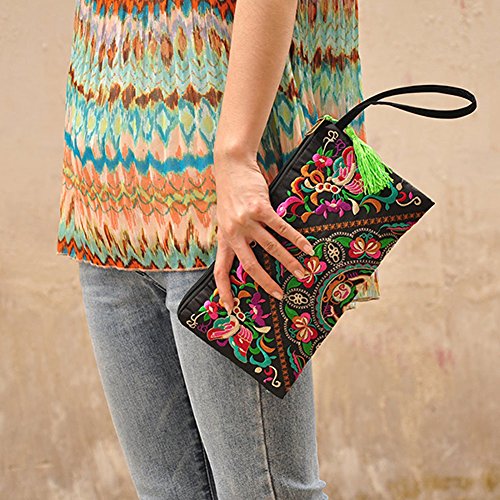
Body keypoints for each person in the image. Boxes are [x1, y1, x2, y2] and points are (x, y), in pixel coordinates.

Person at [56, 0, 378, 498]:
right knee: (169, 492)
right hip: (105, 196)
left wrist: (236, 154)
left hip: (225, 205)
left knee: (266, 492)